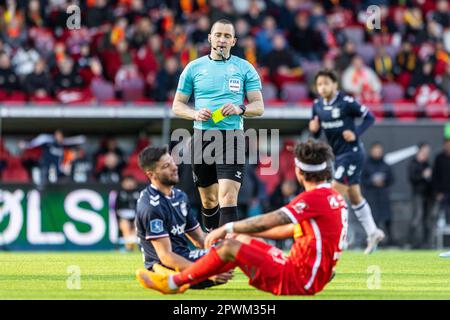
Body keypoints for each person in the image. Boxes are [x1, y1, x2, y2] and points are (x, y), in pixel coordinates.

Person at [136, 140, 347, 296]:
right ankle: (205, 273)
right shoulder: (333, 196)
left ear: (299, 172)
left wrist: (227, 228)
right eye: (167, 165)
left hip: (298, 277)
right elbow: (288, 231)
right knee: (241, 241)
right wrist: (240, 232)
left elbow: (274, 220)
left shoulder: (312, 199)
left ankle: (173, 283)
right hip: (311, 274)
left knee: (229, 248)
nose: (174, 167)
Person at [172, 19, 264, 232]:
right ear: (210, 38)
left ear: (234, 41)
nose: (222, 39)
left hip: (232, 137)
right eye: (218, 35)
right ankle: (212, 243)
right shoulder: (194, 68)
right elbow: (177, 105)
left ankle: (226, 255)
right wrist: (194, 113)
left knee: (228, 196)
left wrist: (240, 109)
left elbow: (259, 106)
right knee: (209, 200)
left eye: (227, 36)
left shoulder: (244, 68)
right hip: (202, 137)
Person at [309, 69, 385, 254]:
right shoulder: (317, 105)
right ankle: (373, 232)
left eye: (326, 83)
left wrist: (356, 133)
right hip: (337, 155)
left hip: (352, 153)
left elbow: (370, 117)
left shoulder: (346, 102)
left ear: (335, 85)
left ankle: (337, 240)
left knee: (334, 195)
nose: (323, 87)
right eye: (320, 84)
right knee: (354, 196)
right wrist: (314, 130)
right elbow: (317, 132)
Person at [134, 146, 233, 288]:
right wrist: (207, 272)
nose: (174, 168)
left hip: (184, 257)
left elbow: (200, 239)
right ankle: (170, 281)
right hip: (166, 267)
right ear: (151, 175)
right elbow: (166, 256)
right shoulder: (151, 206)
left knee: (233, 247)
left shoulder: (180, 196)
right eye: (166, 166)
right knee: (230, 252)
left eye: (172, 162)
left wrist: (222, 244)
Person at [362, 142, 394, 245]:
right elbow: (361, 180)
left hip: (383, 196)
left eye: (379, 150)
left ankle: (389, 241)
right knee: (373, 220)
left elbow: (392, 179)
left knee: (387, 219)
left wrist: (383, 181)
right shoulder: (366, 165)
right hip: (371, 196)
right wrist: (372, 182)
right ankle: (373, 241)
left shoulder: (385, 165)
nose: (378, 152)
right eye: (376, 150)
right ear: (371, 151)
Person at [408, 143, 434, 248]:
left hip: (428, 195)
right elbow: (412, 178)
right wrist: (423, 175)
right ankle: (413, 243)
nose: (427, 153)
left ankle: (426, 243)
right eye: (425, 150)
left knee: (427, 219)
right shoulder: (413, 163)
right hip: (418, 194)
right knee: (417, 217)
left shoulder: (427, 164)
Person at [432, 137, 450, 258]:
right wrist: (437, 192)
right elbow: (435, 176)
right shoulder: (439, 158)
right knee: (445, 219)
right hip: (444, 193)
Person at [116, 175, 140, 252]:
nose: (129, 184)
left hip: (137, 216)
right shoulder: (119, 193)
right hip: (123, 216)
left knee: (137, 225)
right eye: (127, 182)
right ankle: (129, 247)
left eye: (131, 181)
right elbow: (116, 208)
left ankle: (131, 246)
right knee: (125, 225)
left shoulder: (140, 193)